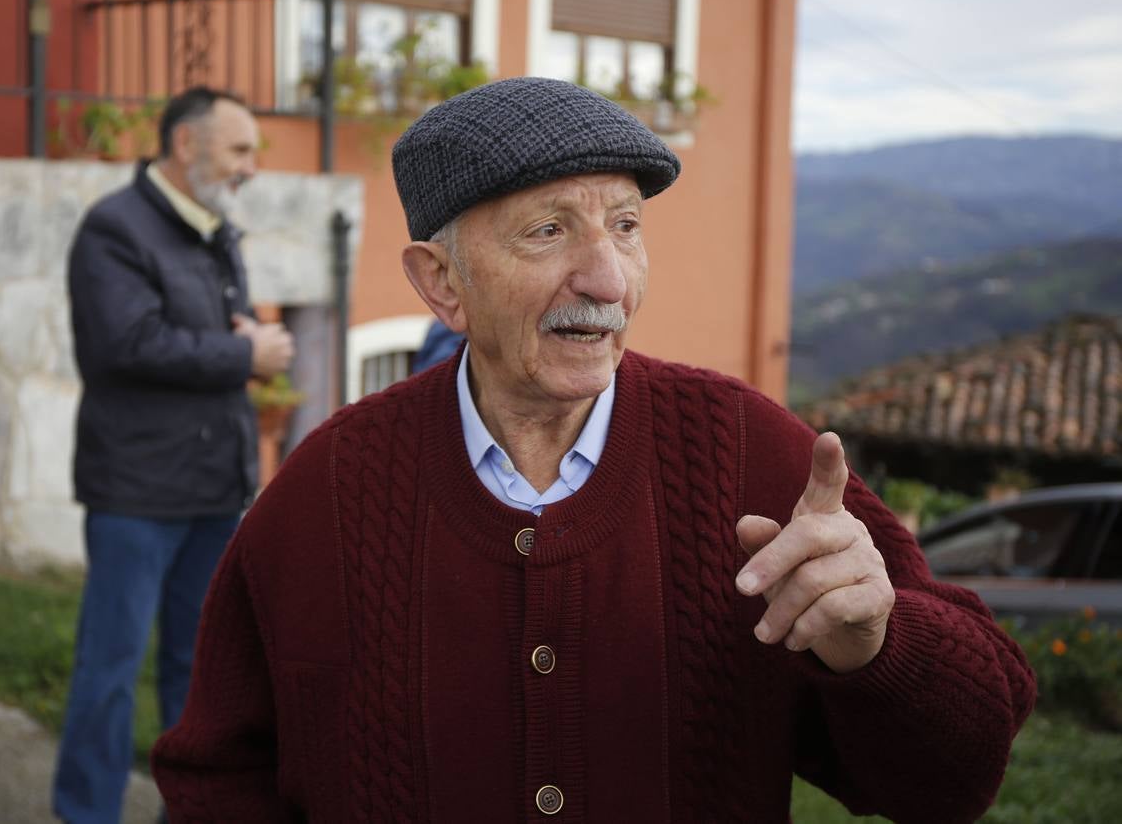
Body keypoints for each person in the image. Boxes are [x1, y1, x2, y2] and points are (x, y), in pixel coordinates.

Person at [152, 78, 1035, 822]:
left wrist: (879, 645)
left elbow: (954, 781)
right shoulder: (326, 491)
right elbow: (215, 777)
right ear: (441, 282)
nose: (607, 279)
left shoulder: (751, 454)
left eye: (624, 226)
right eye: (548, 231)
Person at [53, 86, 294, 824]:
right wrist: (244, 353)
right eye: (240, 149)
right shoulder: (114, 229)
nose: (251, 166)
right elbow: (124, 345)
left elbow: (215, 332)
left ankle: (189, 812)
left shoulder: (217, 229)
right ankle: (86, 812)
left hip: (214, 489)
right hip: (136, 492)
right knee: (110, 668)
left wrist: (244, 343)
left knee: (202, 677)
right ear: (186, 145)